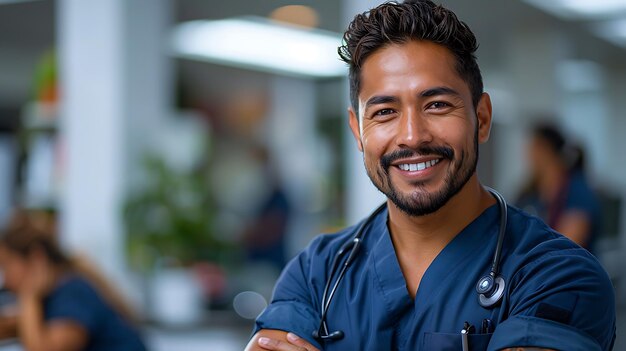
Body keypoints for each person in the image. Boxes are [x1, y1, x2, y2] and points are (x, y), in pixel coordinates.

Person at [245, 1, 616, 350]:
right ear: (358, 132)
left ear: (482, 118)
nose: (412, 136)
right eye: (385, 112)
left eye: (437, 105)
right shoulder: (319, 273)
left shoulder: (557, 275)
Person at [0, 214, 148, 351]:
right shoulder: (55, 295)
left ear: (36, 259)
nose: (5, 280)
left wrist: (29, 296)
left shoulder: (72, 293)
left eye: (6, 266)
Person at [516, 124, 602, 253]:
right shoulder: (530, 193)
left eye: (532, 148)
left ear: (544, 150)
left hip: (570, 270)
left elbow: (566, 246)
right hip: (537, 268)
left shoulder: (578, 190)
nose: (528, 156)